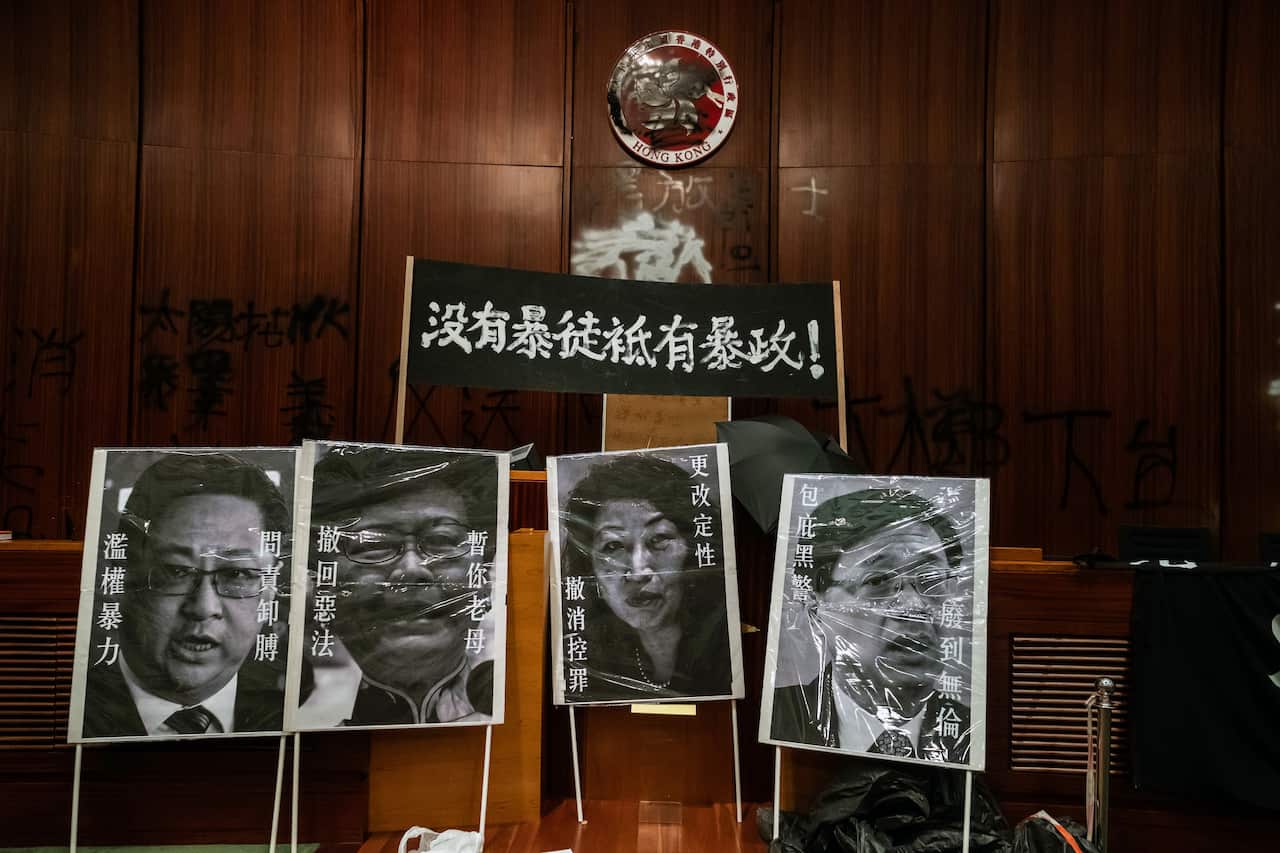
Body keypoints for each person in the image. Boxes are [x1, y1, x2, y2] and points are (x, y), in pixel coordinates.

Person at [82, 452, 291, 738]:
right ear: (124, 576)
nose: (204, 607)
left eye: (237, 574)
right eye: (177, 571)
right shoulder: (73, 709)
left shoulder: (295, 717)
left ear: (270, 588)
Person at [770, 487, 973, 764]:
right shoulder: (778, 720)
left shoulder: (972, 734)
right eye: (878, 582)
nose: (913, 606)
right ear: (816, 604)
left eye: (931, 580)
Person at [302, 446, 498, 727]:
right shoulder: (291, 725)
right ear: (324, 585)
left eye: (442, 540)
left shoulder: (520, 715)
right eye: (375, 545)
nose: (411, 569)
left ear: (484, 580)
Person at [560, 454, 732, 702]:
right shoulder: (581, 660)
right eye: (612, 546)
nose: (638, 572)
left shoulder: (729, 645)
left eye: (659, 539)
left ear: (692, 550)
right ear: (590, 567)